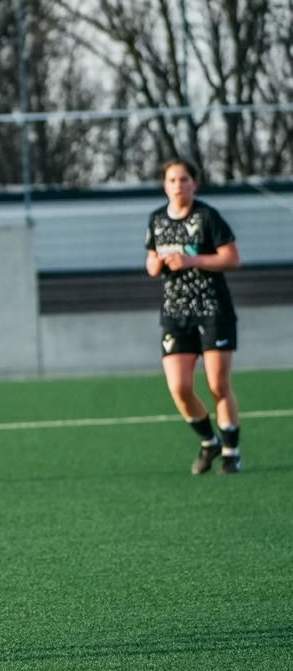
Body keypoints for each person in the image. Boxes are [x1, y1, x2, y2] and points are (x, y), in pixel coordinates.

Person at [144, 157, 242, 474]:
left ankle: (231, 451)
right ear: (165, 185)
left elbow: (231, 258)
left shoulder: (207, 216)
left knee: (217, 385)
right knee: (180, 388)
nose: (178, 186)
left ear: (194, 184)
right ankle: (209, 442)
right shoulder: (157, 219)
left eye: (184, 179)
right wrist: (157, 265)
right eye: (172, 180)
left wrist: (191, 261)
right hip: (176, 314)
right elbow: (150, 261)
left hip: (213, 311)